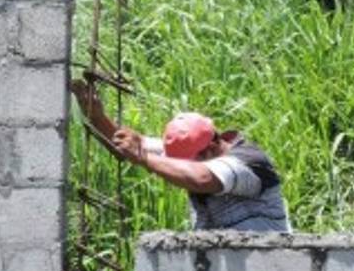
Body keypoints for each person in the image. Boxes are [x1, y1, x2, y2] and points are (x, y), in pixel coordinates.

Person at [70, 80, 291, 232]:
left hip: (267, 269)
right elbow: (128, 147)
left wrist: (146, 159)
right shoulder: (198, 153)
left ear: (212, 147)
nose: (178, 167)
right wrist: (97, 117)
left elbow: (202, 178)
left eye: (188, 161)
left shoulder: (249, 161)